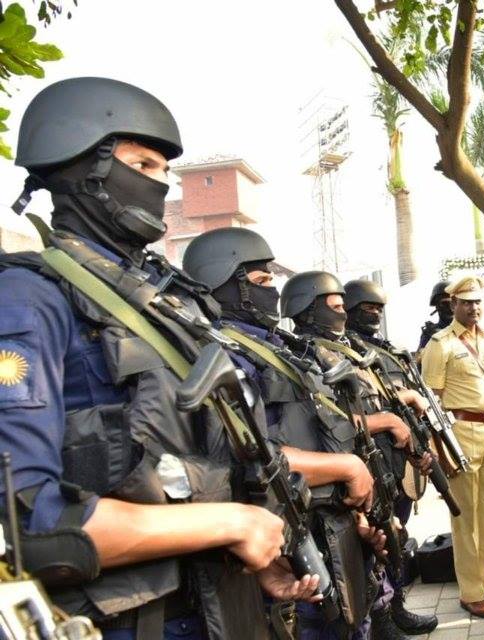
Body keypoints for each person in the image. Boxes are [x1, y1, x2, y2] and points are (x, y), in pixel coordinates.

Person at [0, 77, 317, 639]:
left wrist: (255, 549)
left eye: (165, 172)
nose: (161, 185)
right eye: (143, 166)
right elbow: (32, 526)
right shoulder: (30, 299)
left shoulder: (153, 301)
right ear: (81, 168)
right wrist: (230, 521)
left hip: (219, 604)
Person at [181, 227, 386, 639]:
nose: (270, 291)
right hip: (291, 527)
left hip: (331, 516)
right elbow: (249, 451)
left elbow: (329, 427)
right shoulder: (225, 352)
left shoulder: (281, 347)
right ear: (222, 285)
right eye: (259, 282)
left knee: (352, 622)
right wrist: (345, 467)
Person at [280, 271, 430, 640]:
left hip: (380, 465)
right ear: (308, 309)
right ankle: (382, 620)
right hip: (345, 475)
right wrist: (385, 421)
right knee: (363, 563)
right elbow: (328, 419)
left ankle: (391, 613)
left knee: (387, 545)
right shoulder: (307, 355)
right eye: (336, 308)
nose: (344, 314)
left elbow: (375, 397)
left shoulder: (349, 349)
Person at [420, 277, 484, 619]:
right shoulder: (441, 344)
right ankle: (470, 591)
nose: (474, 308)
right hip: (460, 433)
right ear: (453, 305)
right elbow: (430, 400)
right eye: (467, 302)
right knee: (465, 515)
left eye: (478, 302)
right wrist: (438, 446)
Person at [342, 278, 440, 637]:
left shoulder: (382, 352)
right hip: (369, 461)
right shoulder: (340, 353)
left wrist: (419, 445)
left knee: (398, 533)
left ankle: (396, 605)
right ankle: (382, 616)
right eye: (365, 309)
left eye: (378, 310)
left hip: (396, 461)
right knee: (378, 542)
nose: (374, 316)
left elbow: (399, 398)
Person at [416, 280, 452, 351]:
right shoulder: (430, 333)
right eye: (445, 304)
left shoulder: (470, 330)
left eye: (452, 303)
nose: (450, 308)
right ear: (437, 306)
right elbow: (420, 358)